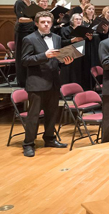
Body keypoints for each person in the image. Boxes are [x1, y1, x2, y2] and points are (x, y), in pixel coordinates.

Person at [20, 11, 73, 157]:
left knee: (52, 113)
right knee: (34, 115)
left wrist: (65, 61)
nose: (46, 24)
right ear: (36, 23)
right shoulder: (29, 39)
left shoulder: (56, 37)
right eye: (43, 22)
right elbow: (25, 60)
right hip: (37, 82)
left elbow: (56, 59)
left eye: (48, 22)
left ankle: (49, 138)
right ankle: (28, 143)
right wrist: (44, 55)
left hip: (53, 81)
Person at [58, 13, 91, 90]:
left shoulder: (84, 29)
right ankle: (68, 92)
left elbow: (87, 42)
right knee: (68, 73)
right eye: (76, 19)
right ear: (72, 20)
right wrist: (73, 40)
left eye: (80, 19)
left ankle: (79, 90)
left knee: (79, 73)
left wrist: (89, 38)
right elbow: (61, 42)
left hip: (81, 54)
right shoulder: (65, 29)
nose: (78, 21)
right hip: (69, 54)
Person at [14, 0, 37, 87]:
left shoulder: (32, 3)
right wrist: (33, 19)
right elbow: (20, 18)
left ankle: (31, 78)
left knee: (31, 54)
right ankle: (22, 80)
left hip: (31, 30)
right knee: (22, 55)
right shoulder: (19, 3)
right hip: (22, 32)